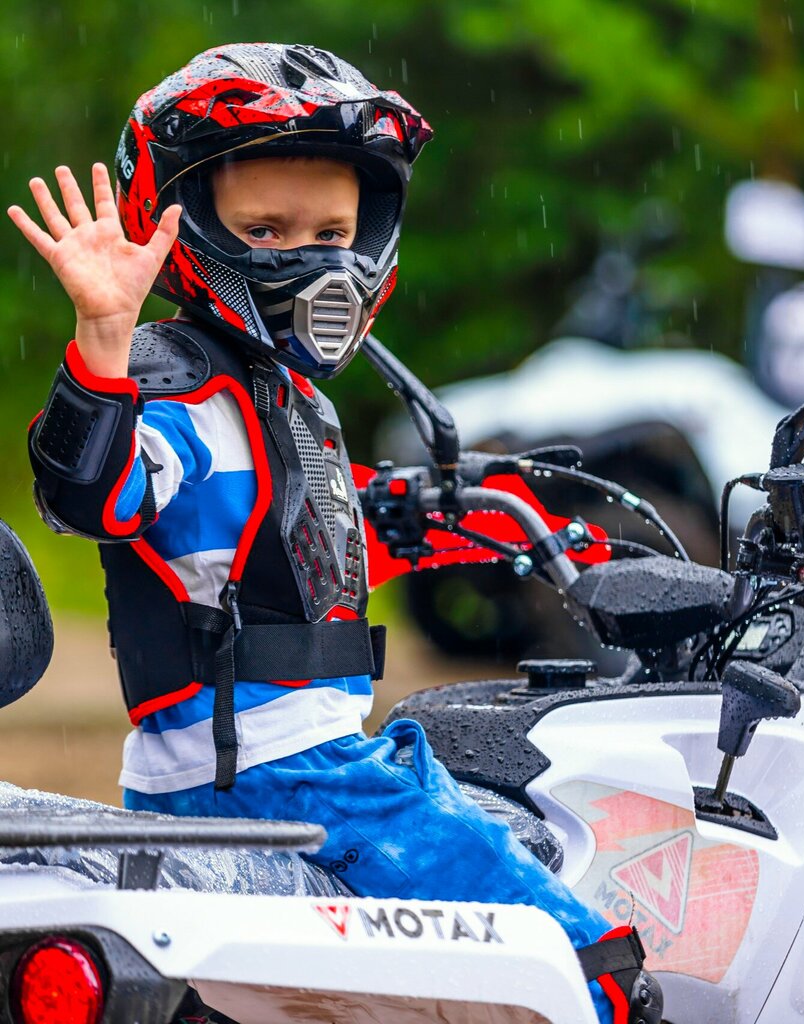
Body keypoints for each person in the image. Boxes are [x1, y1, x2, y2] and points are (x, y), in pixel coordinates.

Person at [9, 43, 661, 1024]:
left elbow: (291, 546)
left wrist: (459, 518)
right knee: (587, 960)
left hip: (298, 764)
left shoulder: (278, 392)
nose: (313, 261)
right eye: (265, 230)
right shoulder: (177, 387)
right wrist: (102, 339)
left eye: (333, 232)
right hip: (275, 777)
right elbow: (95, 494)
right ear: (178, 223)